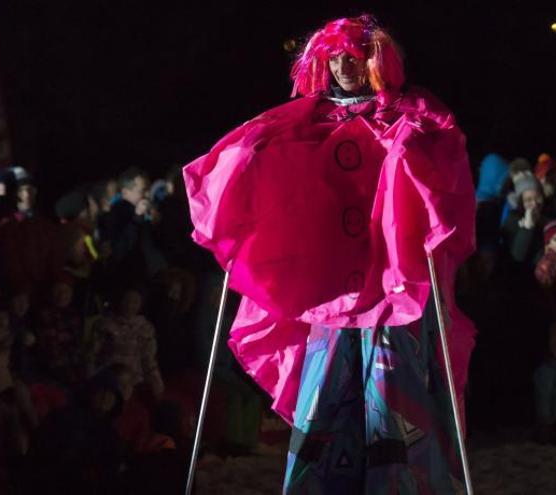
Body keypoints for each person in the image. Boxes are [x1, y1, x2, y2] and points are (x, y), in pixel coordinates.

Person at [184, 15, 476, 493]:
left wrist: (412, 155)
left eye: (354, 58)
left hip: (391, 279)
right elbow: (265, 150)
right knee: (324, 392)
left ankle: (401, 485)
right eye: (334, 59)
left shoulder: (409, 112)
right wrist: (247, 171)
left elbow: (444, 160)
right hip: (330, 285)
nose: (344, 68)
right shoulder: (309, 116)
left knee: (392, 389)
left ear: (375, 61)